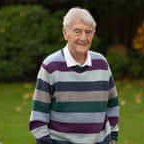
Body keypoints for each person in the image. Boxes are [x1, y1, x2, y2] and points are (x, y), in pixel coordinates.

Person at [29, 7, 119, 144]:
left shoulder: (102, 63)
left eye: (88, 32)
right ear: (65, 33)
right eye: (77, 31)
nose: (83, 37)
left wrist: (112, 137)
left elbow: (112, 104)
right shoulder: (50, 66)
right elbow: (38, 116)